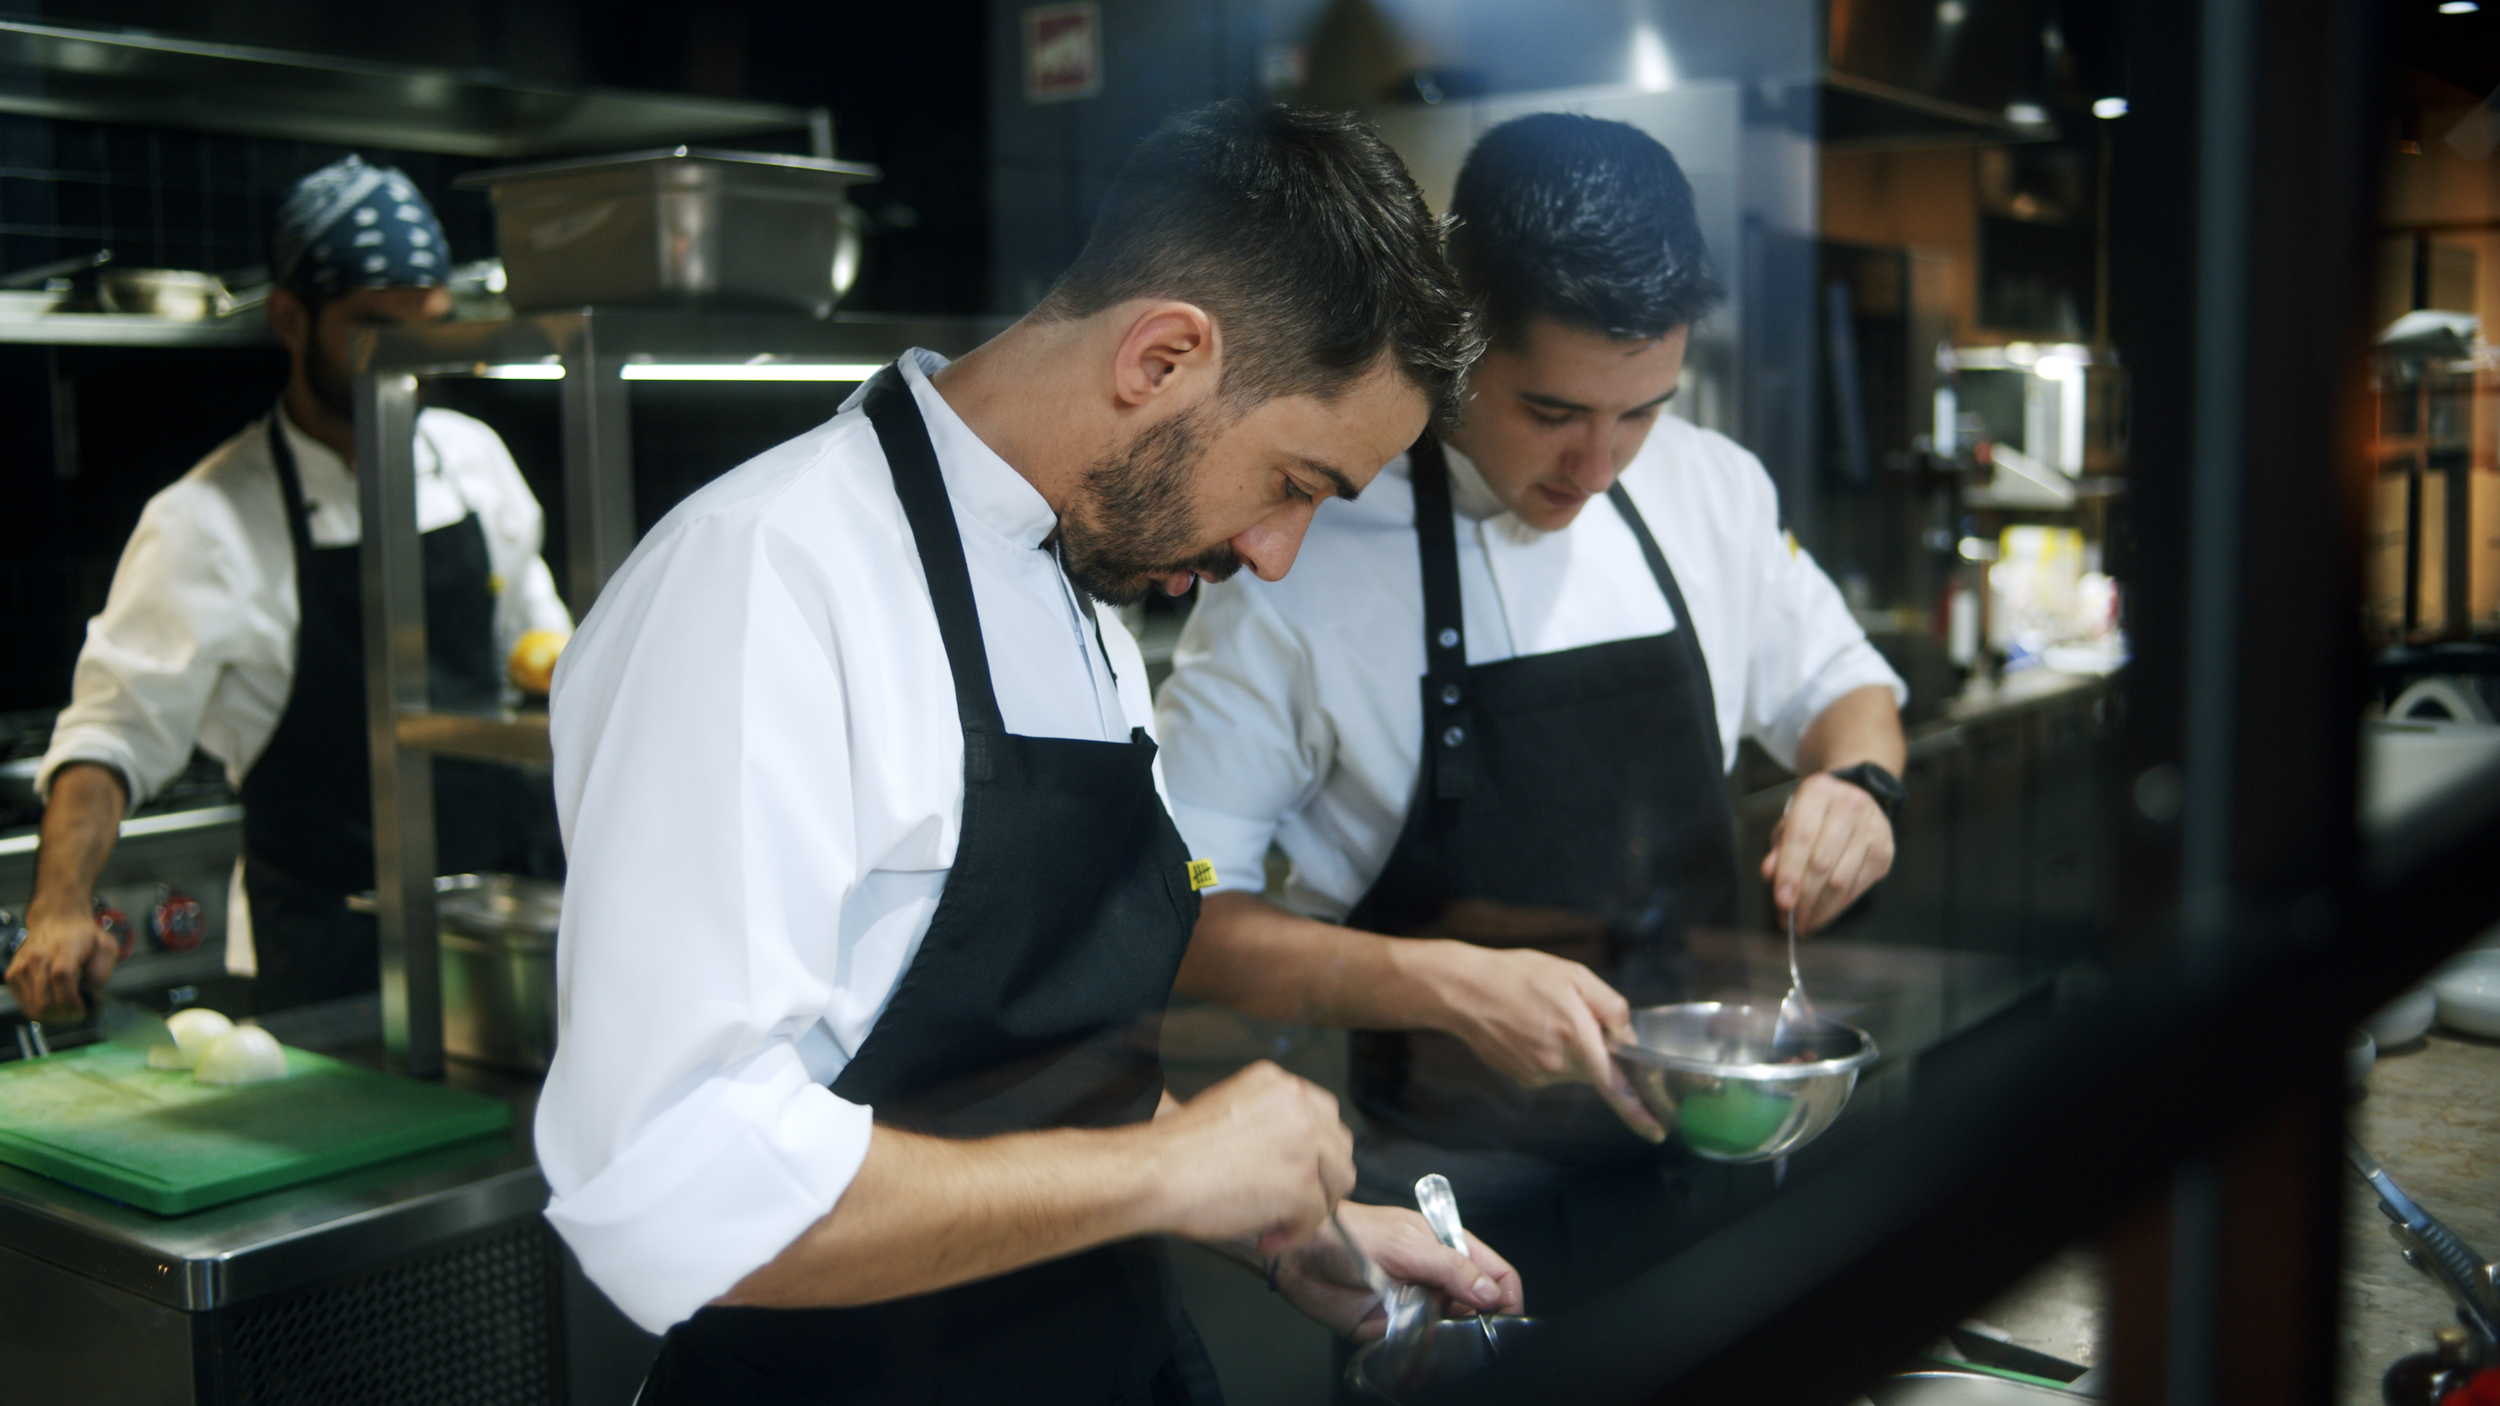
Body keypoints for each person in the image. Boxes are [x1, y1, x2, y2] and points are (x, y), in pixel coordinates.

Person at [535, 102, 1518, 1405]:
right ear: (1162, 357)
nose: (1276, 554)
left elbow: (1037, 1085)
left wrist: (1267, 1227)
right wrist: (1171, 1173)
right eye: (1294, 481)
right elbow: (668, 1180)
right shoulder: (768, 578)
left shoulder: (1082, 595)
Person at [1152, 113, 1911, 1316]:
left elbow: (1849, 692)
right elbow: (1187, 920)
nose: (1598, 462)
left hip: (1715, 1163)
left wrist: (1856, 784)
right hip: (1452, 1220)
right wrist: (1441, 982)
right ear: (1459, 342)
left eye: (1641, 409)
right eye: (1553, 411)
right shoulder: (1302, 549)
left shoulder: (1706, 487)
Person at [5, 156, 570, 1022]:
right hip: (326, 963)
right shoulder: (205, 520)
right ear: (288, 319)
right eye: (377, 328)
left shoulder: (473, 462)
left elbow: (544, 659)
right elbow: (111, 734)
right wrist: (58, 905)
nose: (411, 359)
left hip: (501, 936)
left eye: (432, 327)